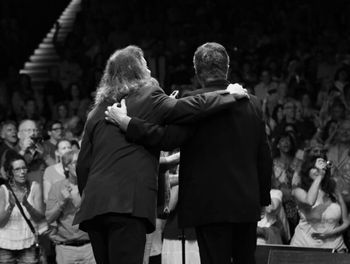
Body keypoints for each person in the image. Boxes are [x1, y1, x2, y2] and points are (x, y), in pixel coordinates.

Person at [74, 44, 248, 264]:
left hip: (94, 208)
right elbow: (191, 107)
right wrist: (227, 95)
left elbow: (82, 167)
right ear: (136, 69)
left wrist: (92, 198)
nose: (149, 70)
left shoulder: (95, 114)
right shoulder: (148, 96)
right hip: (127, 206)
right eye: (145, 64)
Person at [290, 155, 349, 252]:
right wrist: (320, 176)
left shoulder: (333, 190)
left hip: (334, 246)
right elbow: (310, 201)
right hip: (304, 246)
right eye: (314, 168)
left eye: (321, 168)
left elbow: (346, 221)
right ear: (307, 171)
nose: (318, 170)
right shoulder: (298, 191)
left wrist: (329, 234)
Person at [46, 150, 95, 264]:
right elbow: (49, 218)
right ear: (66, 167)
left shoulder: (92, 185)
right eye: (75, 163)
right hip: (66, 248)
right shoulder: (57, 187)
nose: (80, 166)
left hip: (90, 246)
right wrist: (62, 202)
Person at [0, 155, 45, 263]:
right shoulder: (3, 190)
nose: (22, 172)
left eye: (24, 168)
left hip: (28, 244)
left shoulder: (34, 187)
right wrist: (10, 207)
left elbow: (39, 218)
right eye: (17, 169)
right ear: (10, 173)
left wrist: (26, 204)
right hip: (6, 245)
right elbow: (1, 223)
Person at [43, 139, 72, 203]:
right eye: (64, 148)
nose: (67, 150)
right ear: (57, 152)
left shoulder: (79, 168)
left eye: (69, 147)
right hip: (60, 209)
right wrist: (64, 195)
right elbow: (47, 198)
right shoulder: (50, 171)